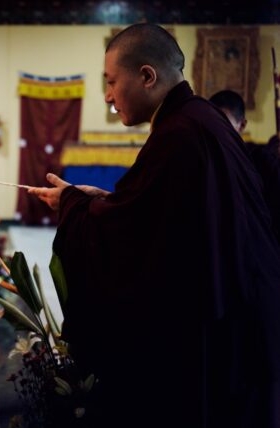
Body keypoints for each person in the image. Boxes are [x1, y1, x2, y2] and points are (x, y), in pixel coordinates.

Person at [29, 24, 280, 428]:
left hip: (226, 330)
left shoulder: (180, 133)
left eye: (111, 82)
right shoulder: (201, 117)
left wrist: (74, 205)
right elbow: (160, 213)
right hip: (249, 306)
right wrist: (100, 200)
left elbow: (134, 236)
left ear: (147, 76)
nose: (108, 96)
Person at [209, 89, 280, 242]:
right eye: (213, 124)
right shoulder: (206, 158)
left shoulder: (261, 160)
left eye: (225, 125)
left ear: (242, 125)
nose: (217, 132)